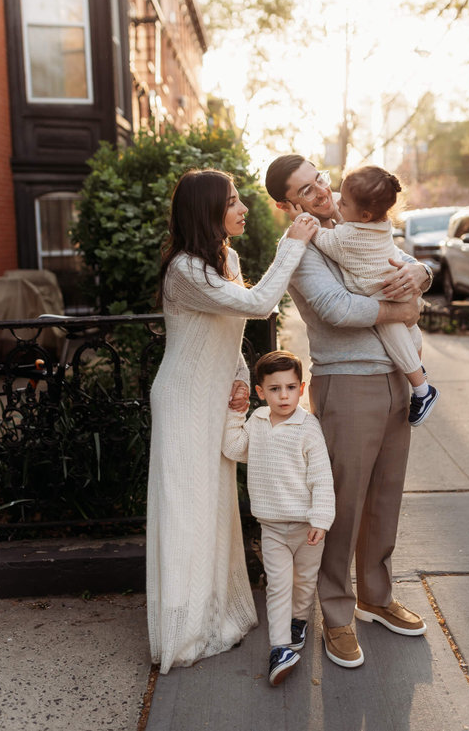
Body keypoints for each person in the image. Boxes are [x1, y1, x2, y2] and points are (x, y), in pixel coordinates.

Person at [146, 168, 317, 674]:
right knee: (186, 512)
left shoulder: (227, 258)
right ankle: (183, 628)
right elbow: (261, 303)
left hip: (215, 397)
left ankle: (217, 611)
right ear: (206, 212)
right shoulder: (184, 270)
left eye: (241, 199)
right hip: (182, 403)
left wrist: (241, 376)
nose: (243, 209)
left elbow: (228, 326)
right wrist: (292, 241)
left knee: (217, 507)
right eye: (233, 202)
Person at [265, 155, 432, 670]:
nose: (320, 192)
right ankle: (336, 613)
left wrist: (419, 278)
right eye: (304, 189)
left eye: (319, 179)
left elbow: (409, 263)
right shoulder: (299, 246)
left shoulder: (359, 224)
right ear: (285, 204)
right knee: (341, 505)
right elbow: (337, 309)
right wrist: (401, 309)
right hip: (348, 382)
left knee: (385, 495)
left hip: (394, 380)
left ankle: (375, 596)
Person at [222, 349, 335, 686]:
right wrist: (234, 415)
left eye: (290, 388)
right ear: (261, 391)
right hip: (271, 527)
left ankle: (299, 619)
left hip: (307, 528)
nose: (283, 396)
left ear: (302, 389)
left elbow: (321, 477)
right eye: (274, 389)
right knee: (278, 585)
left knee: (304, 581)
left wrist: (321, 520)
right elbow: (232, 448)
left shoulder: (308, 426)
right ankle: (279, 647)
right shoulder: (256, 423)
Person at [304, 163, 439, 427]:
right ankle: (417, 369)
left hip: (385, 291)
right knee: (408, 332)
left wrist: (303, 220)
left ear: (364, 214)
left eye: (343, 201)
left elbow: (321, 237)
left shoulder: (346, 239)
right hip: (394, 286)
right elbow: (349, 217)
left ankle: (422, 389)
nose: (336, 201)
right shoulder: (379, 223)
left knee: (393, 332)